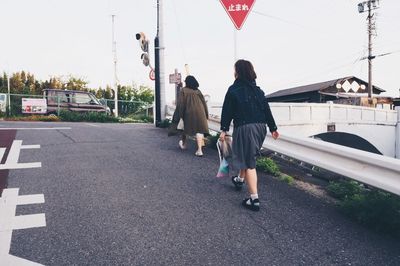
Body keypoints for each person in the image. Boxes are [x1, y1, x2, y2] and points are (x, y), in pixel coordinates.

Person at [219, 59, 279, 211]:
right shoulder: (258, 90)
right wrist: (273, 127)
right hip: (261, 127)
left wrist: (224, 129)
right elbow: (266, 109)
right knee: (248, 154)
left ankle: (254, 199)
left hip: (245, 127)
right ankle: (239, 179)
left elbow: (227, 111)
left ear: (237, 72)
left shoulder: (233, 90)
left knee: (250, 161)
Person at [175, 75, 209, 157]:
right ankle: (200, 150)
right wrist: (206, 115)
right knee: (199, 129)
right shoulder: (198, 91)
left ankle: (183, 144)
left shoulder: (183, 90)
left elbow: (181, 104)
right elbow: (204, 103)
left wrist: (180, 114)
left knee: (183, 126)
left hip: (189, 112)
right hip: (201, 111)